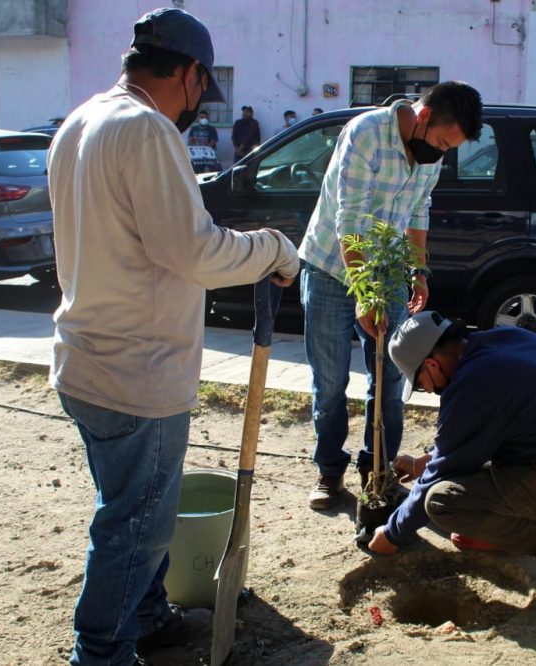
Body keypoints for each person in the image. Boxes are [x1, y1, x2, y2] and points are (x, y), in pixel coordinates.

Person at [46, 8, 300, 665]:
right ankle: (100, 652)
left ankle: (148, 615)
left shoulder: (82, 121)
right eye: (201, 90)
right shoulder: (146, 129)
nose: (197, 107)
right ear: (190, 74)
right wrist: (273, 248)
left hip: (86, 358)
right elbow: (195, 252)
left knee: (130, 506)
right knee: (135, 526)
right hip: (137, 373)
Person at [368, 311, 536, 612]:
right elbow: (473, 439)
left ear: (431, 364)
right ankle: (496, 532)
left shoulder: (474, 384)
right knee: (465, 479)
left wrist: (391, 534)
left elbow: (441, 474)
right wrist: (422, 464)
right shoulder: (505, 341)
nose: (428, 390)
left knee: (443, 502)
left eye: (420, 383)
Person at [299, 81, 483, 510]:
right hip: (330, 267)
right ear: (423, 117)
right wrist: (364, 293)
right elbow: (350, 218)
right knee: (330, 382)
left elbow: (419, 210)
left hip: (389, 271)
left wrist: (417, 271)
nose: (440, 154)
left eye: (449, 149)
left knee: (391, 375)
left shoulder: (429, 154)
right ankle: (330, 471)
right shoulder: (366, 133)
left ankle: (378, 472)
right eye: (441, 143)